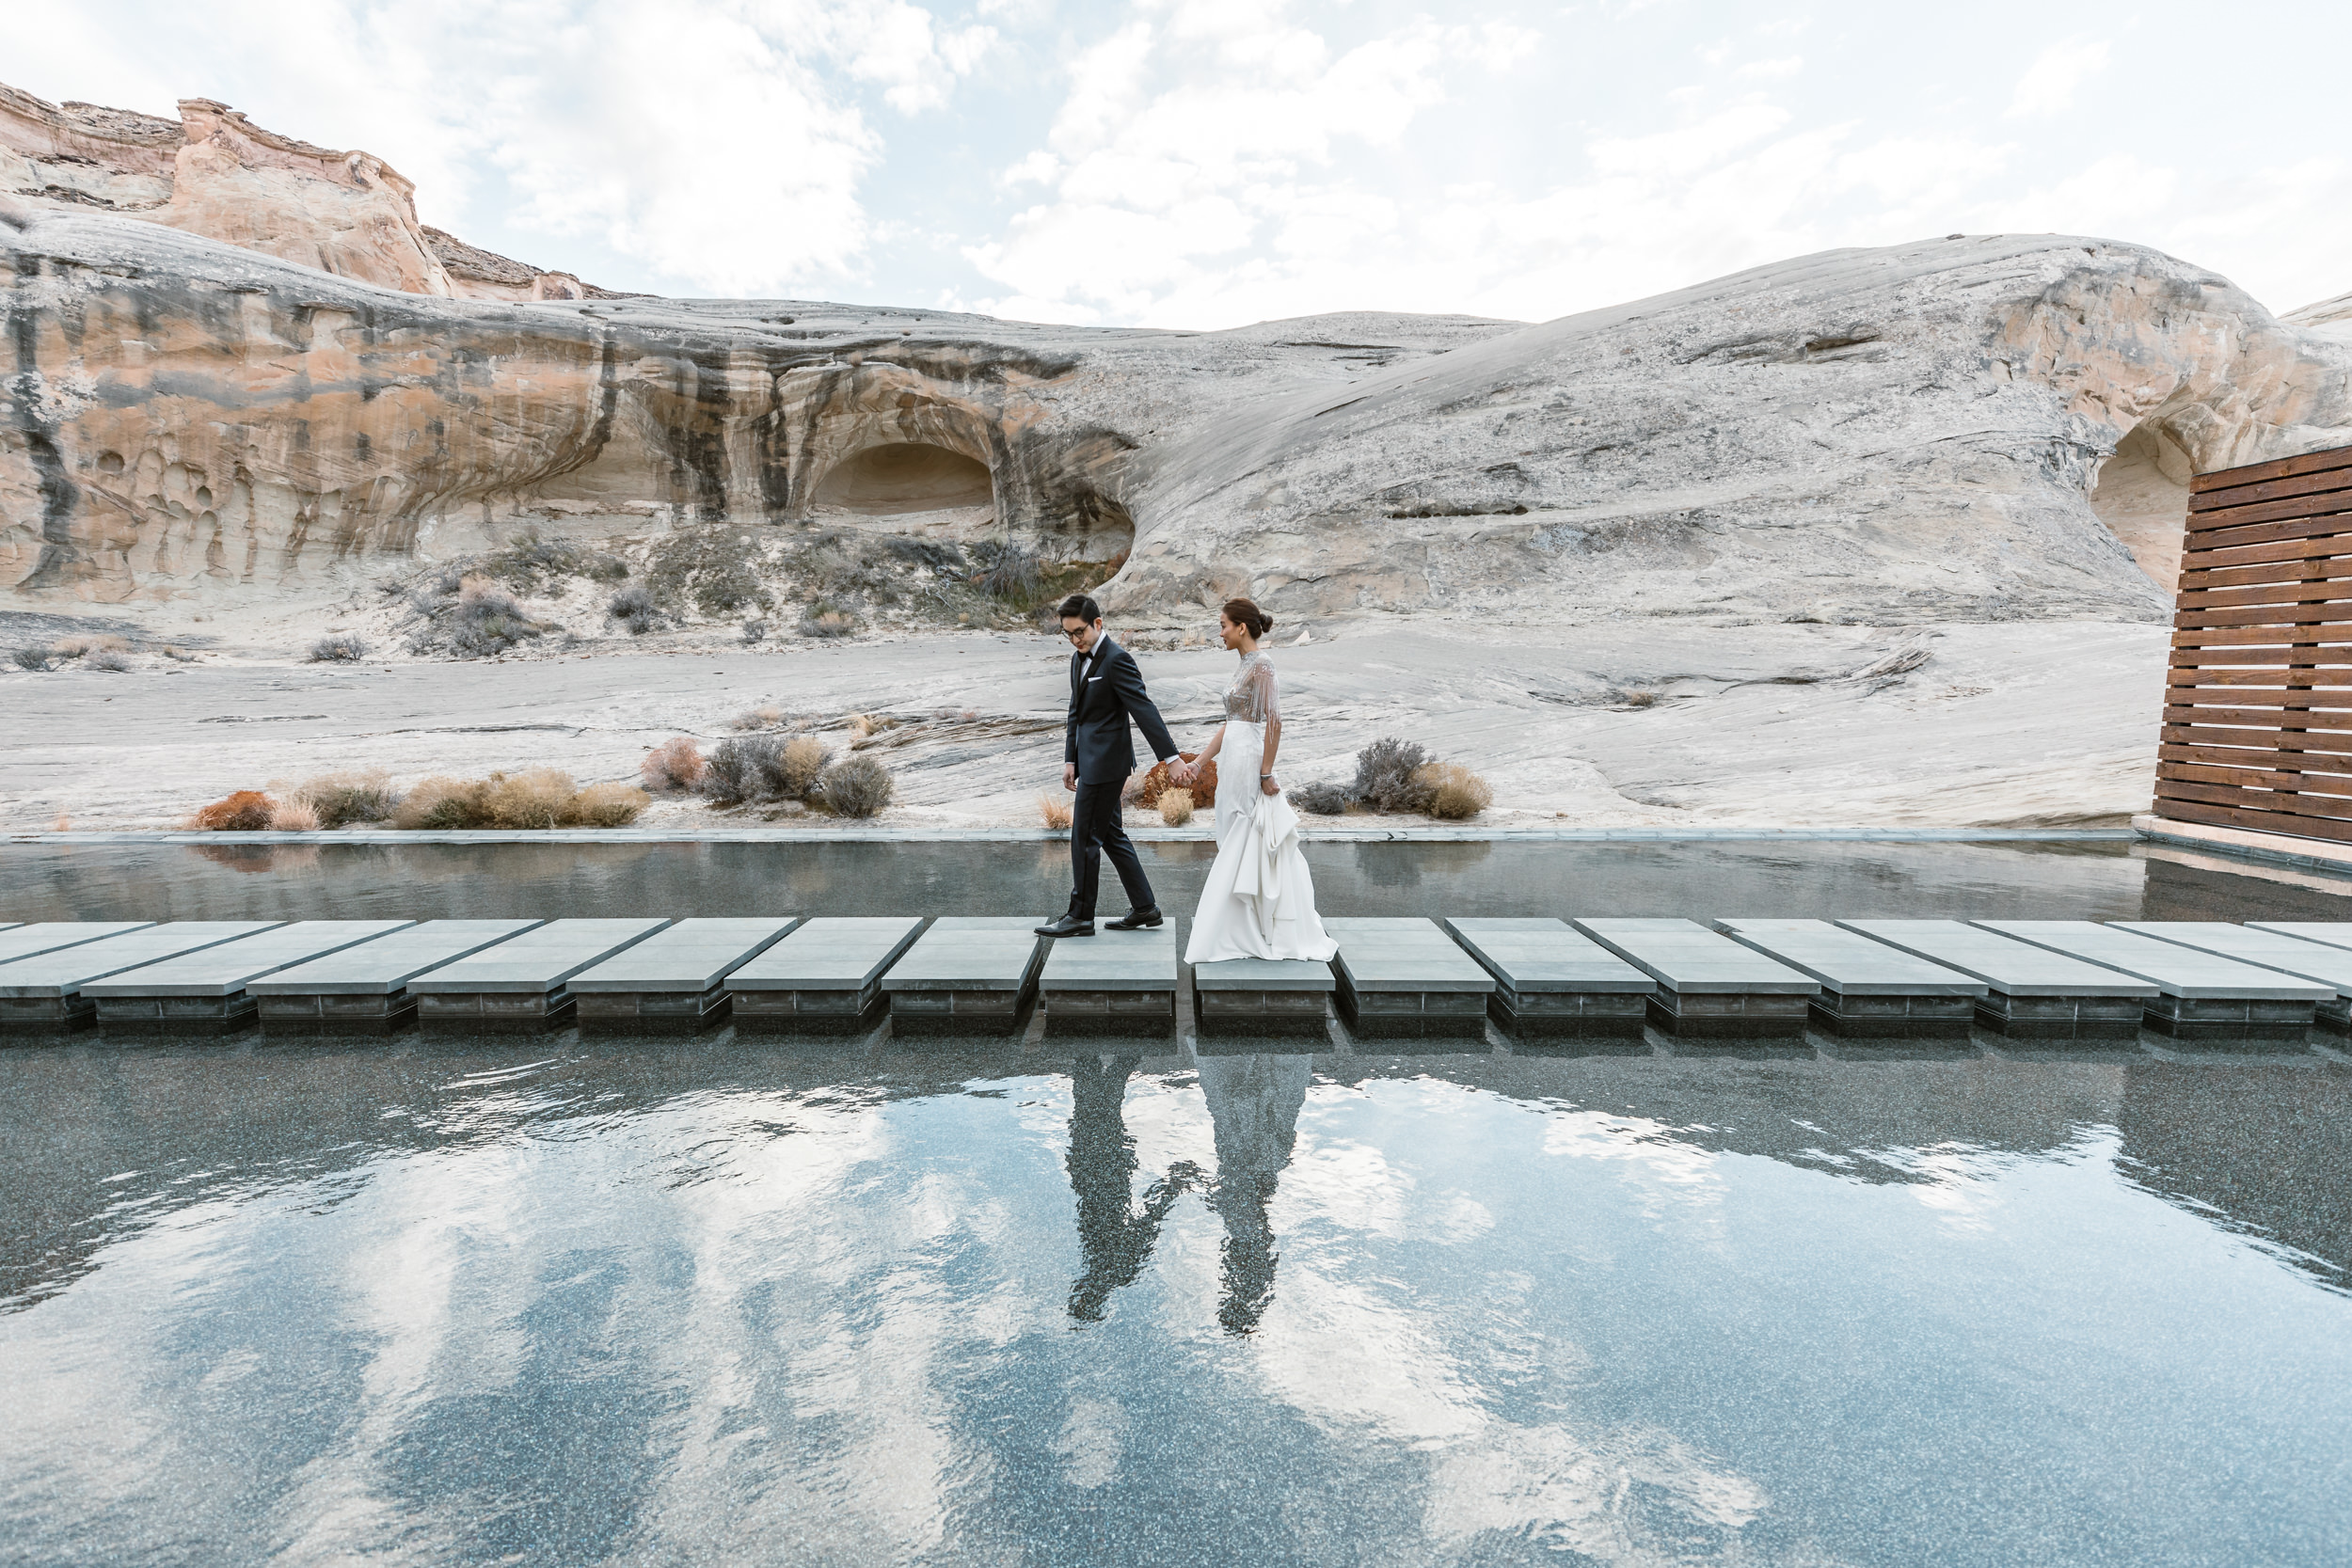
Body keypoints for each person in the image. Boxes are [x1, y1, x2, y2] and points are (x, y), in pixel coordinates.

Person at [1173, 598, 1337, 963]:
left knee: (1249, 834)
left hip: (1248, 760)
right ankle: (1241, 925)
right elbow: (1230, 722)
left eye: (1223, 625)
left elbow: (1274, 722)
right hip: (1233, 756)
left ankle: (1254, 928)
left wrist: (1265, 772)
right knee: (1232, 830)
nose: (1220, 633)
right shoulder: (1244, 665)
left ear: (1241, 627)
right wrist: (1199, 763)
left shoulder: (1263, 665)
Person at [1037, 593, 1184, 939]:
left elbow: (1143, 708)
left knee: (1083, 837)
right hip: (1087, 761)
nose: (1075, 640)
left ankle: (1081, 916)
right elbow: (1076, 711)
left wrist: (1171, 758)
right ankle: (1145, 907)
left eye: (1080, 632)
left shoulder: (1117, 659)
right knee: (1111, 835)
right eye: (1068, 634)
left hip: (1108, 765)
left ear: (1098, 624)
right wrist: (1070, 758)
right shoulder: (1078, 658)